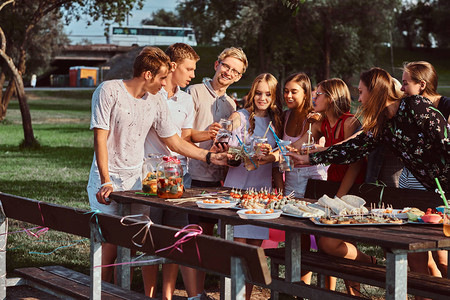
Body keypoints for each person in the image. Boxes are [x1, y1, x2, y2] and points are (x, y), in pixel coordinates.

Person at [86, 46, 229, 284]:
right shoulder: (108, 90)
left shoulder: (155, 101)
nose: (165, 84)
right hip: (106, 181)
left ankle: (123, 294)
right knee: (108, 247)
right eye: (162, 77)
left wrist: (208, 157)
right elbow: (100, 138)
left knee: (131, 245)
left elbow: (173, 140)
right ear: (148, 75)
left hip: (136, 184)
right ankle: (97, 293)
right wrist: (105, 181)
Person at [292, 78, 369, 295]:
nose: (314, 98)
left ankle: (368, 265)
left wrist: (340, 197)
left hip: (350, 188)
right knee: (330, 248)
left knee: (331, 244)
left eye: (319, 94)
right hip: (332, 185)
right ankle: (332, 294)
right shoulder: (322, 123)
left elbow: (355, 165)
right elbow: (299, 146)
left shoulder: (349, 121)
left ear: (332, 97)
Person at [186, 47, 248, 298]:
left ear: (239, 77)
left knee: (207, 237)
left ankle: (200, 291)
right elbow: (182, 135)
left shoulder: (231, 103)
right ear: (216, 64)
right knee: (193, 236)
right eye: (226, 66)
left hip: (217, 178)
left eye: (235, 71)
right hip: (192, 173)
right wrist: (206, 137)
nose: (228, 72)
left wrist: (227, 151)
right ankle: (194, 294)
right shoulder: (194, 92)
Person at [143, 43, 200, 300]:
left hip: (178, 176)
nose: (193, 75)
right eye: (189, 69)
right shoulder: (150, 95)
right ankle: (148, 294)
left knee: (175, 238)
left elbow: (185, 138)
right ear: (173, 66)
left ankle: (166, 295)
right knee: (151, 237)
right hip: (152, 176)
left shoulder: (186, 99)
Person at [223, 73, 283, 300]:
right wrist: (244, 150)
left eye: (268, 94)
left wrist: (279, 191)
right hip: (237, 189)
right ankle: (232, 297)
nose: (262, 98)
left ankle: (245, 297)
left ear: (274, 96)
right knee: (237, 250)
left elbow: (278, 163)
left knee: (256, 253)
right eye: (258, 93)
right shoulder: (240, 116)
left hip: (262, 193)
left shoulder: (277, 121)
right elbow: (229, 150)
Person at [398, 61, 449, 295]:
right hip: (414, 183)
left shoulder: (445, 107)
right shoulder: (409, 107)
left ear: (422, 84)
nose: (401, 89)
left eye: (405, 83)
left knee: (442, 255)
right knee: (418, 252)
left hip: (441, 189)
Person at [282, 72, 328, 198]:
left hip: (315, 178)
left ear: (306, 94)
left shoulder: (317, 117)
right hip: (291, 178)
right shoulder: (284, 116)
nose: (288, 96)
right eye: (286, 91)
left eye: (294, 92)